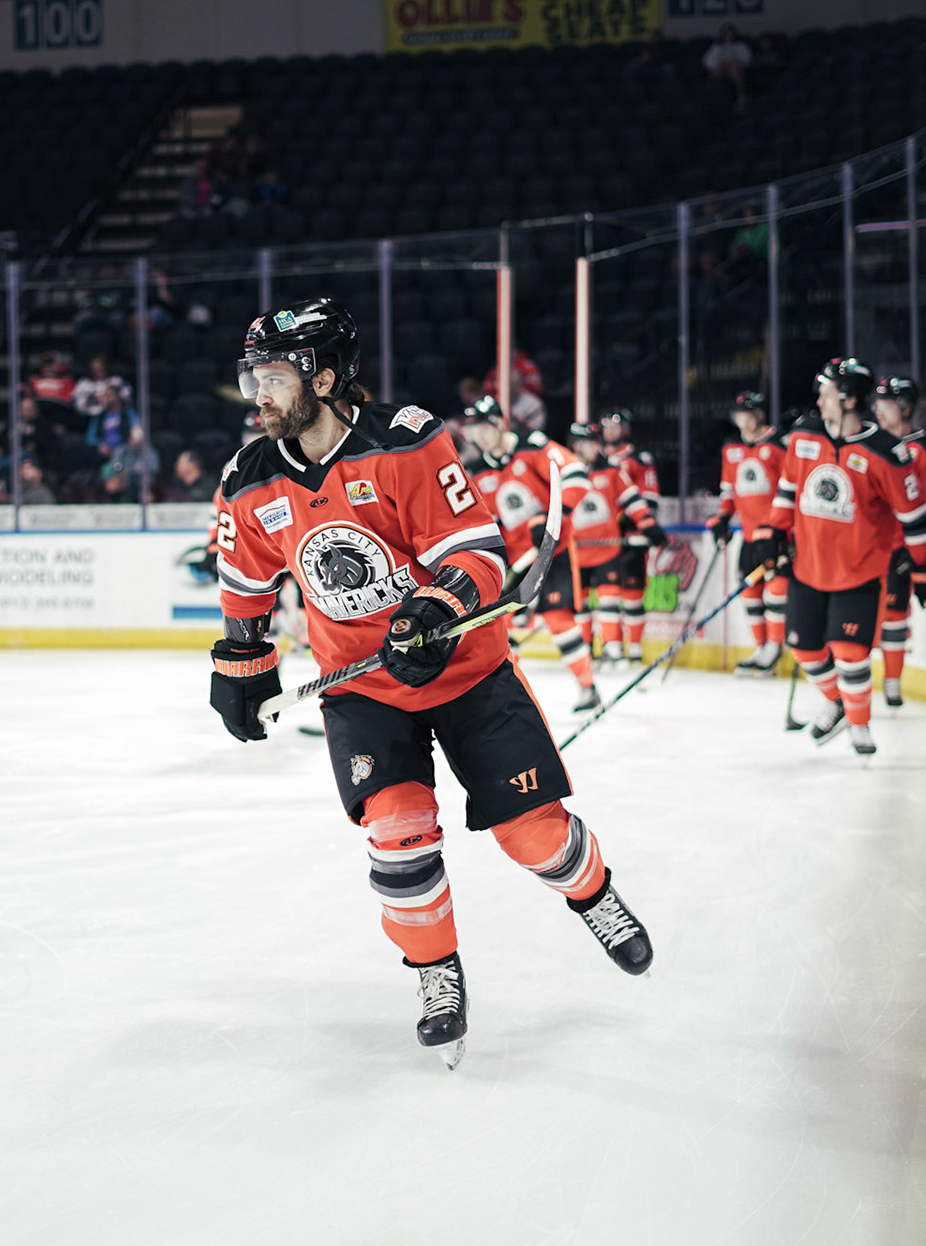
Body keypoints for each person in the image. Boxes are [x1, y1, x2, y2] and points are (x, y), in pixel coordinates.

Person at [208, 299, 652, 1068]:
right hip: (365, 691)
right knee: (398, 836)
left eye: (274, 378)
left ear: (324, 377)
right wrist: (242, 664)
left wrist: (433, 608)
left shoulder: (405, 442)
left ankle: (593, 895)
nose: (260, 396)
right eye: (255, 378)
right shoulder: (249, 480)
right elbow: (245, 585)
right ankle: (436, 973)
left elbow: (476, 551)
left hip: (466, 669)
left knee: (535, 835)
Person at [746, 359, 926, 756]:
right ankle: (839, 704)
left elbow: (915, 518)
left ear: (848, 399)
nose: (819, 402)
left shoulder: (886, 453)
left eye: (826, 394)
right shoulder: (803, 437)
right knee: (804, 649)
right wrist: (773, 532)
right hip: (807, 569)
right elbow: (787, 491)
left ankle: (859, 724)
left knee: (850, 653)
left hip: (859, 575)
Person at [460, 395, 602, 712]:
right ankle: (506, 695)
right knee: (502, 627)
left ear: (499, 424)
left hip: (553, 552)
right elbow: (486, 520)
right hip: (516, 560)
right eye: (472, 431)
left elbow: (576, 475)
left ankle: (587, 688)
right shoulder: (477, 472)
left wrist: (552, 518)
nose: (478, 437)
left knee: (557, 617)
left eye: (483, 428)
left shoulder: (533, 446)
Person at [870, 376, 926, 707]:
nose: (878, 412)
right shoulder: (874, 445)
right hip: (869, 547)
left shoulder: (925, 450)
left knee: (894, 616)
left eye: (886, 405)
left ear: (905, 408)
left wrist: (911, 549)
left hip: (902, 551)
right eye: (877, 404)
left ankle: (892, 682)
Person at [566, 419, 667, 664]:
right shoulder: (564, 471)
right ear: (577, 445)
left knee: (609, 597)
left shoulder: (611, 469)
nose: (595, 447)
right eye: (589, 443)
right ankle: (585, 649)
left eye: (595, 442)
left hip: (607, 548)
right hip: (576, 549)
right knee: (581, 603)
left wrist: (647, 523)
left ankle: (612, 648)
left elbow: (631, 499)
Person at [706, 390, 791, 674]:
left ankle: (774, 649)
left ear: (759, 415)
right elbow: (728, 492)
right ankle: (761, 647)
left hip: (776, 534)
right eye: (738, 415)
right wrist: (722, 518)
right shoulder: (731, 449)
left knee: (776, 591)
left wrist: (784, 528)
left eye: (748, 414)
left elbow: (790, 489)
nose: (743, 420)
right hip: (750, 535)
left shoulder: (778, 445)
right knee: (750, 592)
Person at [599, 407, 663, 661]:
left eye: (615, 426)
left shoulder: (639, 458)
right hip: (607, 536)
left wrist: (643, 523)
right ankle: (612, 646)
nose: (610, 431)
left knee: (632, 592)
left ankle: (634, 647)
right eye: (606, 426)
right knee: (609, 592)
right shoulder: (597, 460)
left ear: (625, 429)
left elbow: (650, 496)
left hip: (633, 534)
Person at [702, 23, 753, 110]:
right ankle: (716, 100)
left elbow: (746, 59)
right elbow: (707, 60)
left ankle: (741, 95)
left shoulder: (740, 45)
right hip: (721, 68)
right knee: (716, 71)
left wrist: (733, 62)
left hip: (736, 67)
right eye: (726, 34)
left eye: (730, 34)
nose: (728, 36)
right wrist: (721, 64)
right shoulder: (717, 47)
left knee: (732, 68)